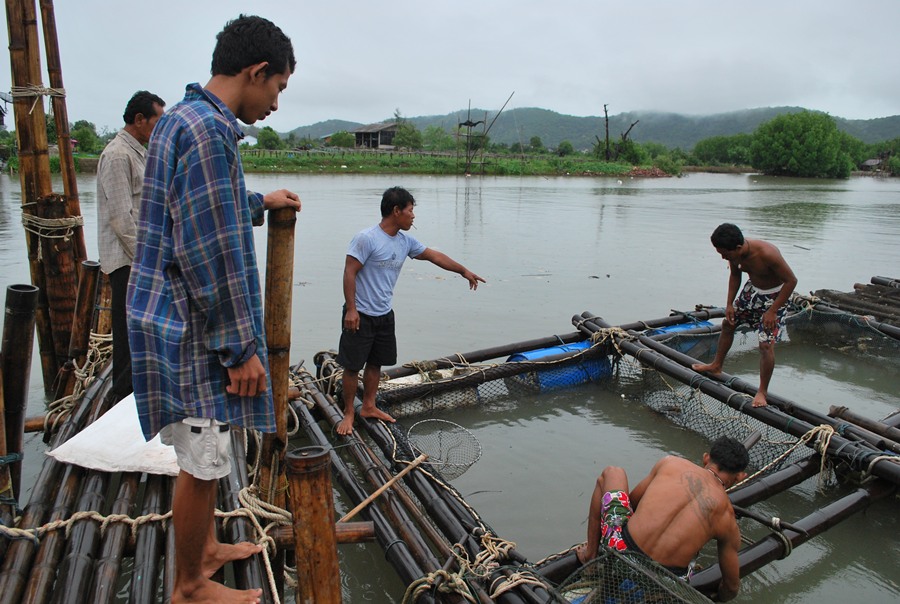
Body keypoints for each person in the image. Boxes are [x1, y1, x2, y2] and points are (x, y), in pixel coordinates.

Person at [127, 15, 300, 604]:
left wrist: (260, 202)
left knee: (199, 450)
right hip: (193, 325)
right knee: (202, 457)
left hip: (171, 315)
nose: (275, 103)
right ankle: (189, 585)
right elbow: (207, 248)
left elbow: (209, 208)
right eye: (276, 88)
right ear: (255, 73)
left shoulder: (184, 118)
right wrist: (239, 347)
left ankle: (200, 552)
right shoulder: (209, 133)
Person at [335, 186, 485, 436]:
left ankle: (369, 406)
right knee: (352, 367)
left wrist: (463, 271)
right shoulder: (366, 238)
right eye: (410, 210)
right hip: (360, 313)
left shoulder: (405, 241)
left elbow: (434, 256)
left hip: (384, 313)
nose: (413, 216)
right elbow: (349, 272)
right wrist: (351, 310)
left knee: (375, 363)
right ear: (396, 211)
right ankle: (349, 413)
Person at [576, 436, 749, 602]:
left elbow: (632, 503)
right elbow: (731, 587)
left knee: (613, 472)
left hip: (621, 553)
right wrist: (717, 598)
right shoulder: (728, 518)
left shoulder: (671, 463)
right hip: (666, 583)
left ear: (706, 458)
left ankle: (590, 557)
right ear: (740, 476)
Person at [96, 90, 166, 402]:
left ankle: (138, 397)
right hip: (128, 262)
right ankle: (121, 402)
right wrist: (146, 262)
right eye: (156, 121)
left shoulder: (137, 152)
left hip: (137, 260)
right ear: (139, 120)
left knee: (143, 333)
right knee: (128, 336)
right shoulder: (118, 155)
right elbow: (121, 219)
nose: (159, 129)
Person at [692, 223, 797, 407]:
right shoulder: (734, 255)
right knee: (728, 324)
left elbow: (791, 281)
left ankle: (762, 392)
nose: (723, 257)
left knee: (765, 344)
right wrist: (729, 304)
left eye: (725, 253)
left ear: (738, 248)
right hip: (752, 291)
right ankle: (716, 365)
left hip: (775, 296)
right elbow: (735, 276)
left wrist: (772, 311)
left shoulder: (767, 254)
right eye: (720, 253)